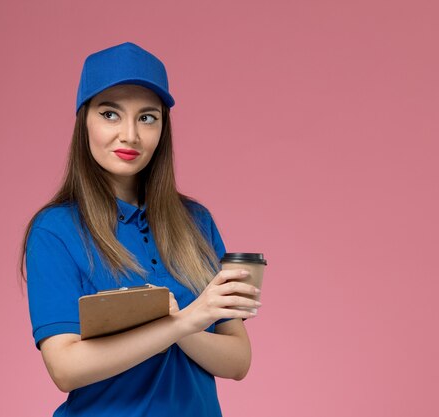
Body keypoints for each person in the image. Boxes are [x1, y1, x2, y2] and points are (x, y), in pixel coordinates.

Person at [19, 42, 261, 417]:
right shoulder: (55, 231)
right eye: (110, 114)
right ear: (85, 120)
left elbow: (237, 361)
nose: (130, 135)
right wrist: (183, 321)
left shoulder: (197, 222)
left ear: (163, 128)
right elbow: (65, 368)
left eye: (147, 118)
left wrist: (186, 326)